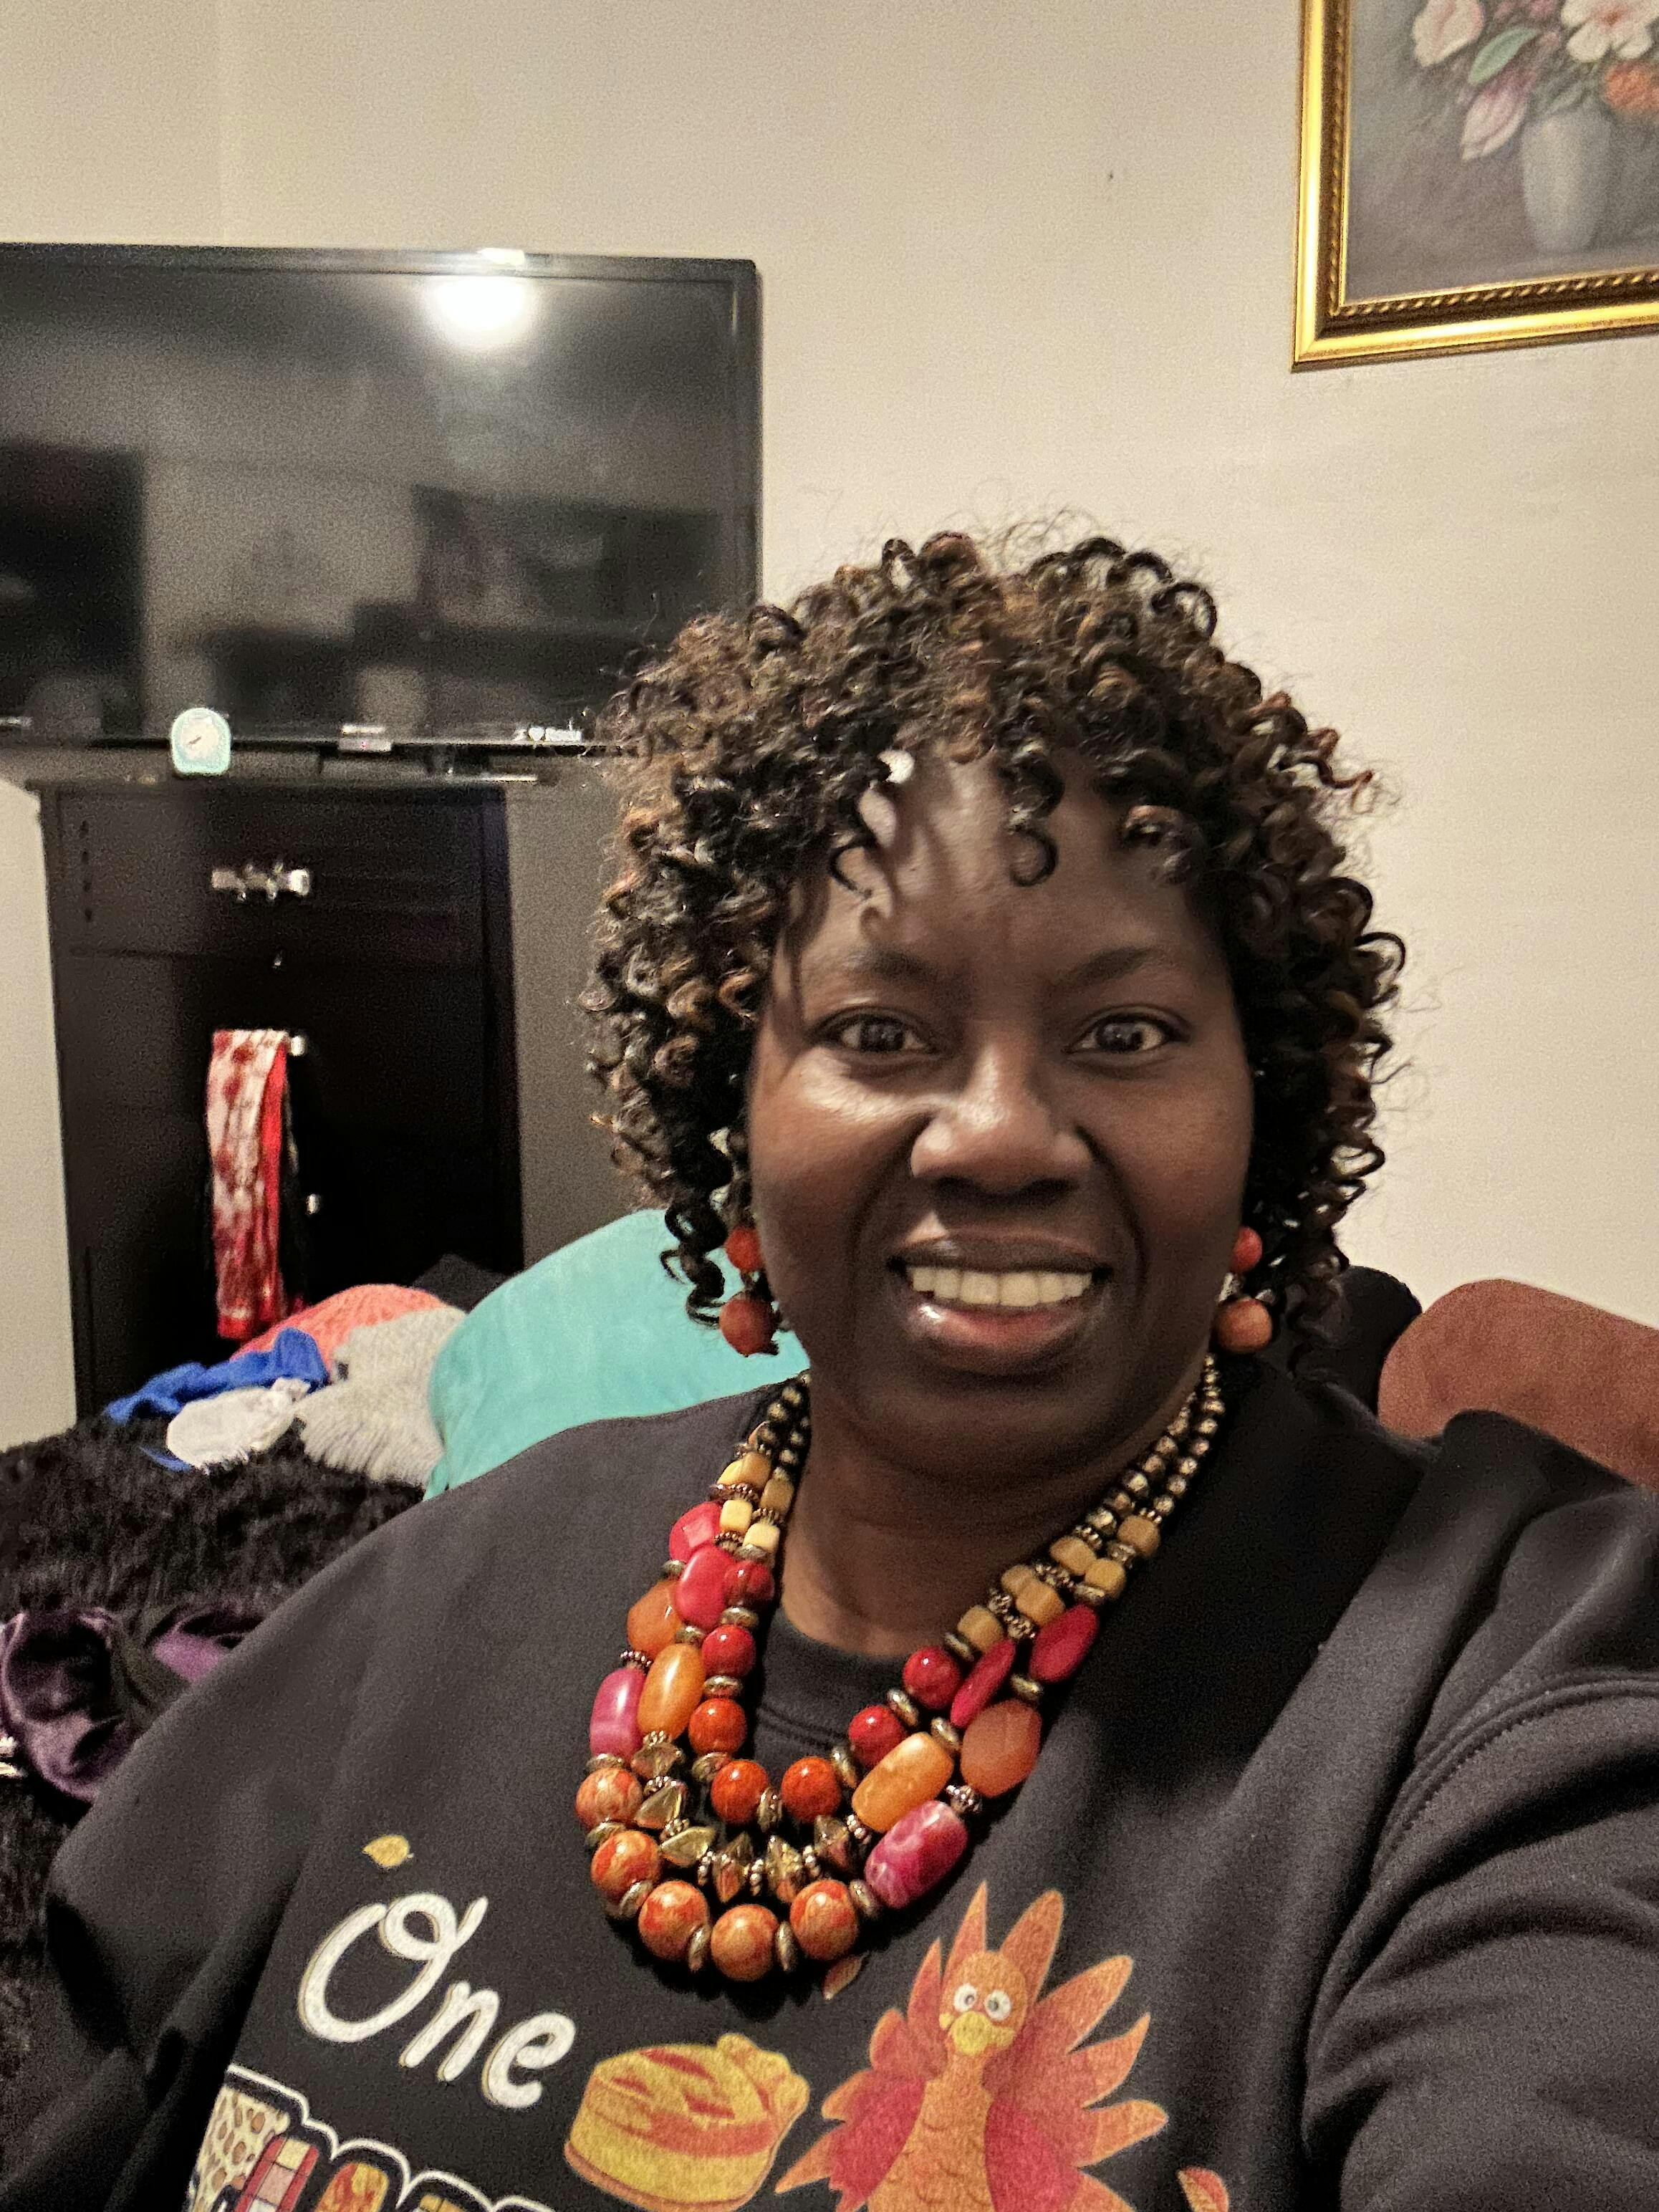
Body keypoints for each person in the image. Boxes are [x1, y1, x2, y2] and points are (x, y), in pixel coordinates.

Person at [5, 531, 1658, 2212]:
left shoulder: (1500, 1656)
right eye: (879, 1031)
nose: (1000, 1134)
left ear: (1265, 1109)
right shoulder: (470, 1568)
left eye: (1126, 1032)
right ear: (733, 1102)